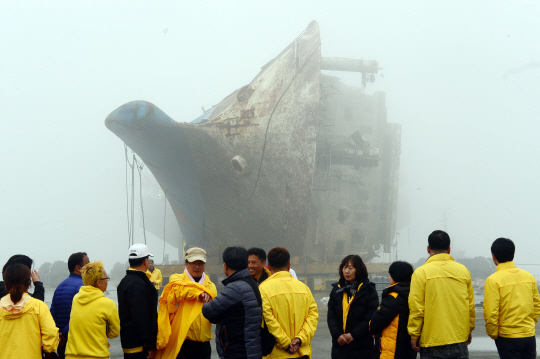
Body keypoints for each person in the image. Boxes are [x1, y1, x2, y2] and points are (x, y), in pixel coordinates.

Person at [408, 230, 475, 358]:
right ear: (449, 249)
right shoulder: (463, 271)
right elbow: (470, 305)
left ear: (428, 249)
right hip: (458, 337)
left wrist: (414, 334)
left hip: (431, 339)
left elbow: (416, 307)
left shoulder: (421, 273)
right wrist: (469, 329)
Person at [155, 247, 217, 359]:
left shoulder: (210, 286)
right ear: (186, 263)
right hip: (183, 342)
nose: (197, 267)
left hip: (204, 344)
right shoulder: (177, 279)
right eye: (193, 263)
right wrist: (198, 294)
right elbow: (179, 290)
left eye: (200, 263)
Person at [483, 237, 540, 359]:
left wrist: (493, 333)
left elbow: (491, 311)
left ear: (494, 257)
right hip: (529, 334)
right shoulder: (529, 276)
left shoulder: (493, 280)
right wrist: (530, 322)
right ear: (513, 253)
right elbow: (536, 304)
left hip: (507, 337)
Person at [202, 246, 262, 359]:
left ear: (225, 265)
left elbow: (208, 310)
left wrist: (205, 300)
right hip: (251, 349)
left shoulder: (236, 288)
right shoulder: (250, 282)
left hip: (237, 352)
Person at [260, 247, 318, 358]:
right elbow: (312, 317)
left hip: (276, 354)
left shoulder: (263, 289)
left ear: (269, 266)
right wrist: (299, 339)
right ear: (289, 265)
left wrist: (286, 343)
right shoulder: (304, 288)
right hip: (301, 353)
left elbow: (268, 321)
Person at [0, 263, 59, 358]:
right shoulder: (39, 306)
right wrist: (48, 347)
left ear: (5, 286)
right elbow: (50, 334)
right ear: (29, 285)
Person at [64, 261, 120, 359]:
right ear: (99, 282)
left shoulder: (76, 299)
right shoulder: (108, 304)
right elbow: (114, 333)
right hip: (96, 355)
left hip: (71, 355)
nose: (107, 281)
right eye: (106, 278)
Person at [327, 254, 378, 359]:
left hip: (361, 347)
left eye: (351, 268)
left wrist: (353, 335)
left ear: (358, 270)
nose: (347, 271)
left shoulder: (369, 290)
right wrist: (337, 335)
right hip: (340, 347)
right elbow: (331, 315)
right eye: (344, 268)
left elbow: (370, 317)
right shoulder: (337, 290)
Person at [117, 243, 158, 359]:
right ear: (145, 261)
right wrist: (149, 346)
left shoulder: (125, 281)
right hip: (140, 347)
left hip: (129, 342)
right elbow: (142, 316)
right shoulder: (138, 284)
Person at [370, 261, 417, 359]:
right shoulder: (414, 294)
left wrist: (372, 328)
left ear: (394, 276)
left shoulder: (393, 296)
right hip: (407, 348)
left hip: (391, 350)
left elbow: (377, 320)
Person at [51, 251, 90, 358]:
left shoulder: (59, 287)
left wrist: (58, 334)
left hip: (62, 343)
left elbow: (52, 313)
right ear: (78, 268)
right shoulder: (84, 287)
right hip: (78, 342)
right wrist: (64, 333)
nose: (91, 267)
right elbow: (80, 315)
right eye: (88, 263)